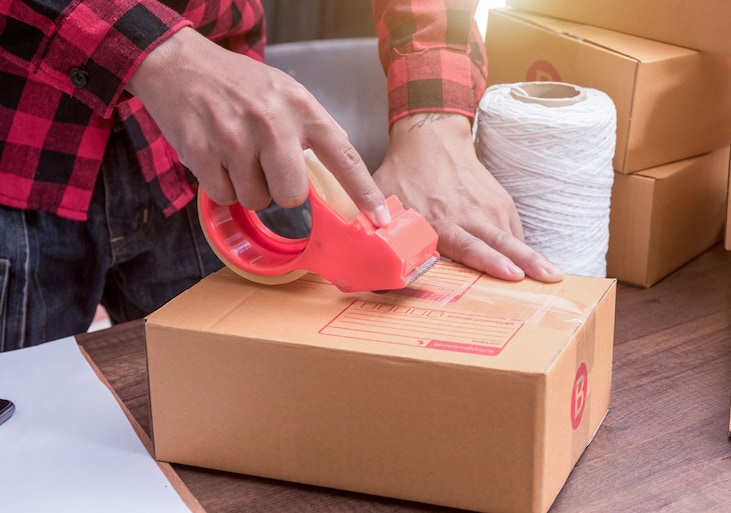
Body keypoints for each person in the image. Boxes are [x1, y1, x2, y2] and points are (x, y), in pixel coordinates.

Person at [0, 0, 561, 351]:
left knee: (248, 412)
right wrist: (156, 53)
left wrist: (432, 120)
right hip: (17, 143)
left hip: (235, 156)